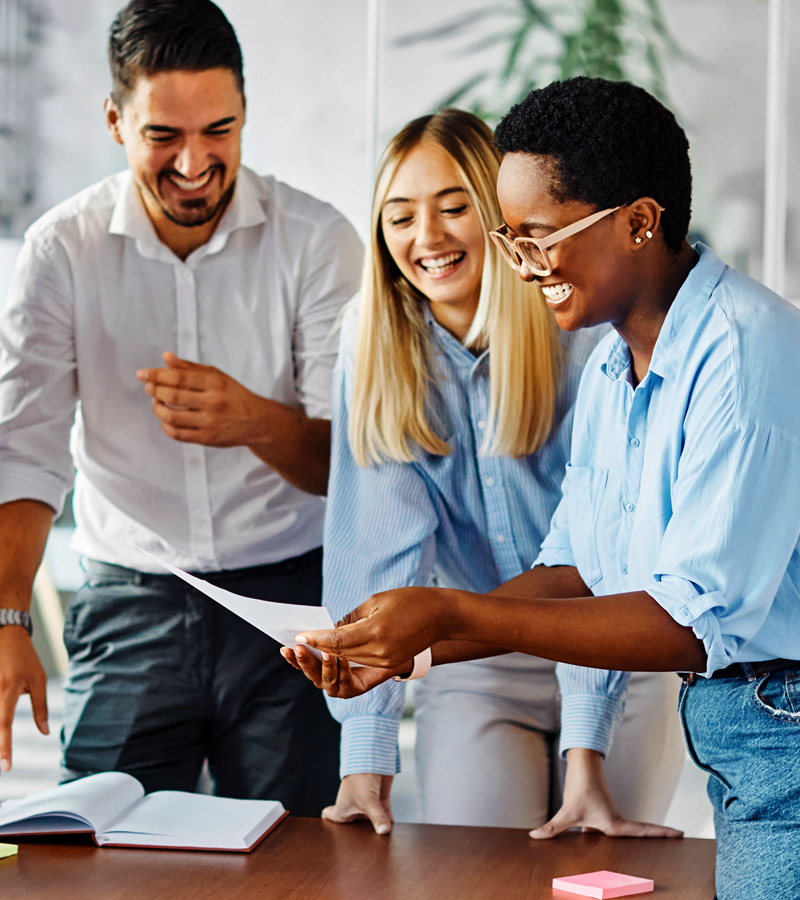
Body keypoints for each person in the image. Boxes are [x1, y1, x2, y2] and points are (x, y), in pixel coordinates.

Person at [292, 76, 800, 898]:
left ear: (639, 222)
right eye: (510, 236)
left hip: (784, 726)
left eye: (538, 236)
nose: (520, 264)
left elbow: (688, 621)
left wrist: (450, 610)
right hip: (744, 726)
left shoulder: (743, 355)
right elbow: (579, 570)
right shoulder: (613, 363)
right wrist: (402, 652)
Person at [0, 0, 362, 815]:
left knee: (298, 859)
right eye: (164, 136)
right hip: (132, 601)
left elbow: (351, 466)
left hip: (290, 610)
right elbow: (27, 448)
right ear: (114, 120)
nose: (195, 162)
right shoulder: (62, 251)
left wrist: (254, 422)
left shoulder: (317, 242)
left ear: (243, 114)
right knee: (96, 849)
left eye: (219, 131)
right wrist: (7, 618)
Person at [284, 109, 684, 836]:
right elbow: (376, 550)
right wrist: (363, 755)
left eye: (454, 208)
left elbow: (607, 554)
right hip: (477, 660)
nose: (426, 238)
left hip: (617, 653)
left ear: (501, 218)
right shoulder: (373, 343)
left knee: (606, 873)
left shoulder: (577, 326)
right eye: (400, 216)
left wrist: (585, 748)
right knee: (475, 873)